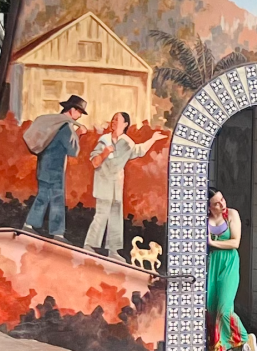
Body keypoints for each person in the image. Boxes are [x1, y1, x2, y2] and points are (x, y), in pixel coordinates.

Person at [83, 112, 166, 261]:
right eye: (113, 119)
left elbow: (139, 151)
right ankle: (89, 245)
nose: (113, 121)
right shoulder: (104, 140)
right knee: (101, 215)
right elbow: (95, 162)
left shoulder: (127, 142)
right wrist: (104, 153)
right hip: (103, 184)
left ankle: (113, 250)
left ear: (125, 124)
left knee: (115, 217)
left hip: (117, 185)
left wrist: (153, 139)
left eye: (117, 119)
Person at [21, 95, 88, 241]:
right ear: (72, 110)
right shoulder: (66, 127)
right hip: (55, 169)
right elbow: (73, 150)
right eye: (80, 112)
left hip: (44, 166)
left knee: (43, 195)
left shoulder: (52, 123)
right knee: (57, 199)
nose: (80, 116)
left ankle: (29, 225)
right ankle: (57, 234)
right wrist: (79, 134)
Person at [206, 188, 257, 351]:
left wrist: (212, 242)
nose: (221, 204)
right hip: (210, 264)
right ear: (208, 207)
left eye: (222, 199)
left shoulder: (232, 215)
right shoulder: (204, 219)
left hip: (228, 263)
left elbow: (235, 242)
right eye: (216, 203)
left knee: (224, 308)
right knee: (210, 307)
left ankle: (245, 340)